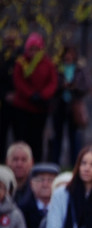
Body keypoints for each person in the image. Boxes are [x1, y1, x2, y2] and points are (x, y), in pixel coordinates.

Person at [9, 33, 57, 163]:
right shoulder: (22, 62)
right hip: (23, 106)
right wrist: (30, 94)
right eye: (31, 49)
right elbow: (18, 81)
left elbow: (52, 82)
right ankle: (19, 161)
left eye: (37, 49)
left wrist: (43, 95)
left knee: (37, 138)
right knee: (22, 137)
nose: (34, 52)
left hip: (40, 108)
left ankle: (35, 162)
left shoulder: (47, 63)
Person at [49, 44, 89, 167]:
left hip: (74, 106)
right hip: (59, 105)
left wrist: (73, 86)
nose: (68, 56)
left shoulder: (79, 69)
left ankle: (74, 165)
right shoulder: (57, 68)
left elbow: (85, 86)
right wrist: (62, 86)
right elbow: (51, 85)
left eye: (71, 53)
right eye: (66, 53)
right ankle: (54, 163)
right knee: (57, 137)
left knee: (74, 137)